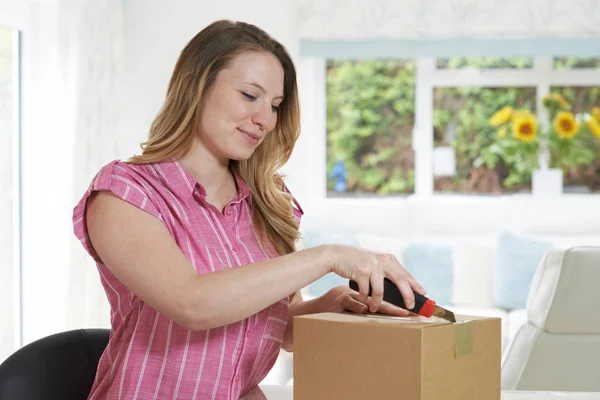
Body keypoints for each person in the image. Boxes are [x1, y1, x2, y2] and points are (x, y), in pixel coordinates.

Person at [73, 19, 426, 400]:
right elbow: (194, 305)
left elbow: (278, 328)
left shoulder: (267, 204)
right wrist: (328, 256)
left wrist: (333, 303)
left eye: (275, 106)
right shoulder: (126, 193)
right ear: (196, 82)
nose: (265, 120)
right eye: (249, 95)